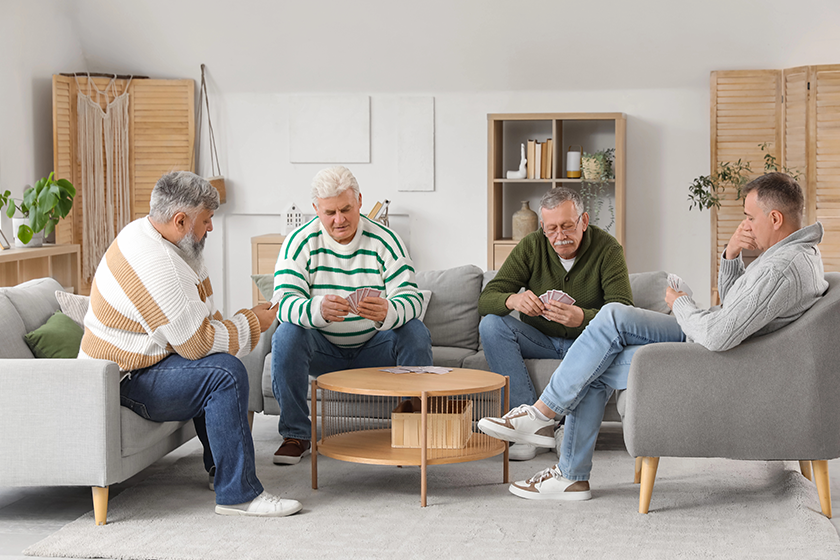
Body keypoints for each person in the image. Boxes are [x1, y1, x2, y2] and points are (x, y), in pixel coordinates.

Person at [478, 172, 828, 501]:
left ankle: (552, 438)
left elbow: (720, 335)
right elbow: (736, 307)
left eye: (750, 217)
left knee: (596, 358)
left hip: (709, 348)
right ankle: (557, 449)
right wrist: (732, 256)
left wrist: (681, 303)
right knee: (609, 326)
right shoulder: (794, 256)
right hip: (707, 333)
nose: (745, 224)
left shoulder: (782, 268)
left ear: (776, 219)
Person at [79, 171, 302, 518]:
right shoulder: (159, 263)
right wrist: (253, 323)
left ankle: (220, 469)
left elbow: (201, 317)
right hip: (122, 379)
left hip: (139, 363)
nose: (210, 228)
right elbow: (198, 344)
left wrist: (238, 322)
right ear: (180, 220)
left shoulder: (161, 238)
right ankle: (238, 495)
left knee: (218, 365)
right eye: (206, 220)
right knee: (224, 373)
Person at [270, 166, 433, 465]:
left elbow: (412, 300)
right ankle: (295, 434)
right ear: (316, 209)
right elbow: (282, 304)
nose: (339, 219)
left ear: (359, 200)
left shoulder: (386, 240)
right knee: (286, 333)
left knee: (415, 331)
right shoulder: (298, 242)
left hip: (375, 348)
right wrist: (316, 310)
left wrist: (390, 311)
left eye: (346, 209)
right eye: (330, 212)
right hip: (323, 351)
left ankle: (413, 430)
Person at [477, 187, 633, 460]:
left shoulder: (608, 249)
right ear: (542, 227)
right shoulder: (531, 246)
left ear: (583, 221)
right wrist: (513, 300)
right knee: (491, 325)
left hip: (588, 345)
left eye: (567, 226)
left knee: (616, 346)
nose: (560, 237)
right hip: (542, 340)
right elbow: (486, 299)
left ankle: (565, 429)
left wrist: (583, 317)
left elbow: (625, 314)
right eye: (552, 229)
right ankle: (532, 425)